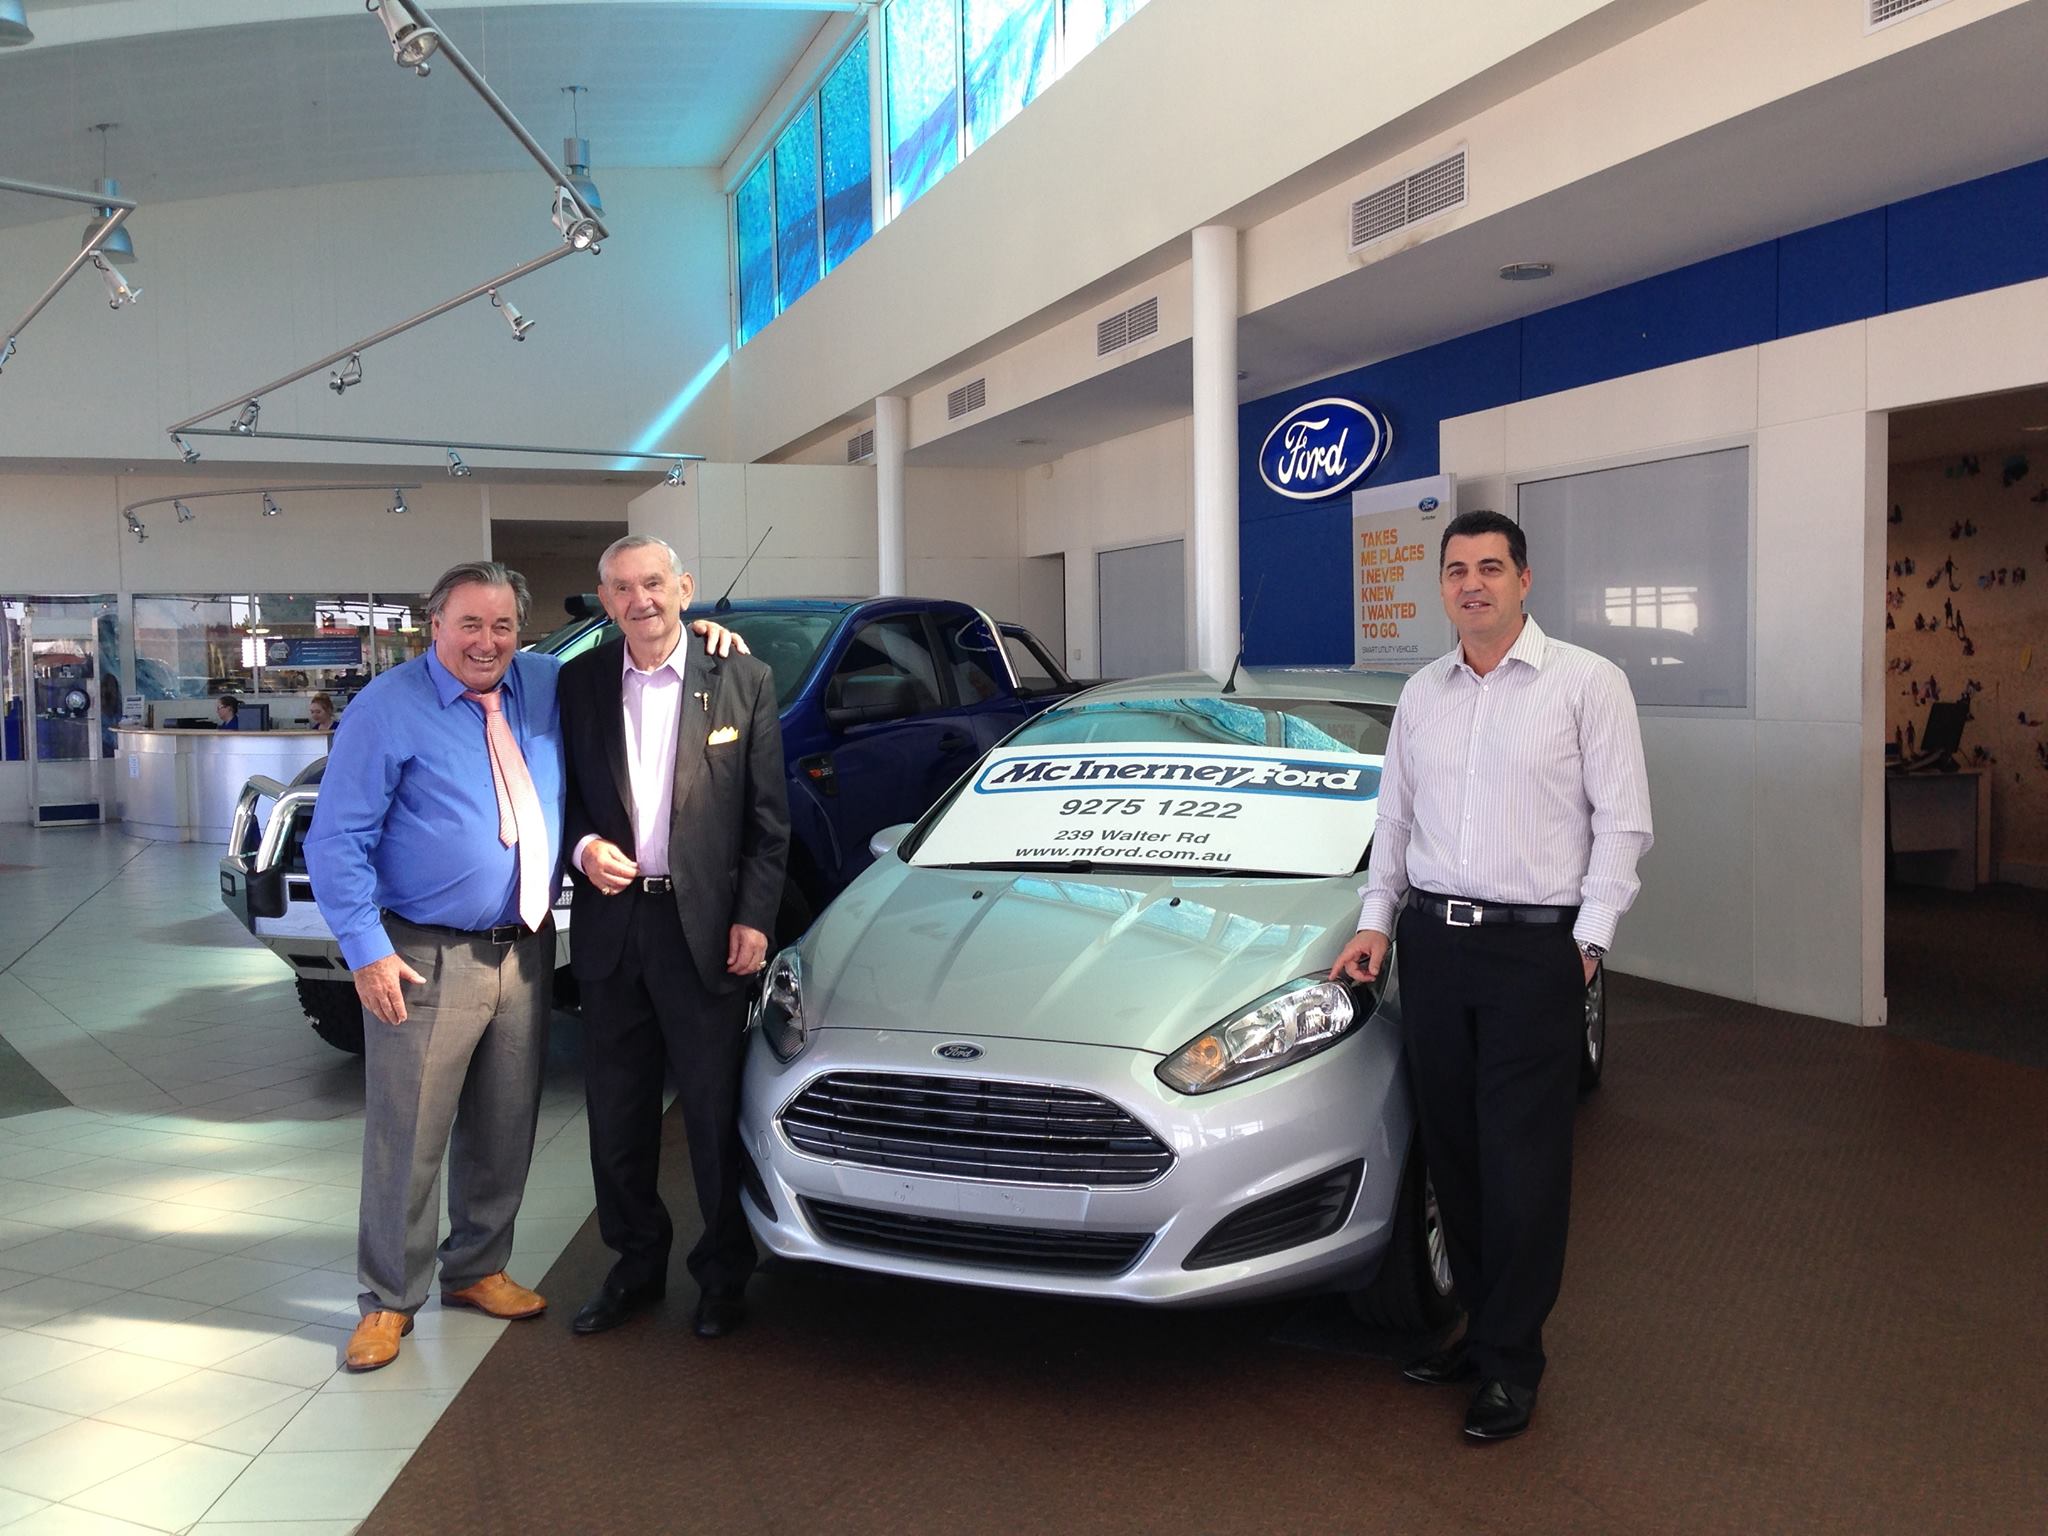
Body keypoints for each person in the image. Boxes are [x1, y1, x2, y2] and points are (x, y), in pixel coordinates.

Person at [305, 558, 744, 1372]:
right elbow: (335, 841)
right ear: (434, 626)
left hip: (529, 948)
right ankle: (388, 1299)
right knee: (409, 1135)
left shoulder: (545, 684)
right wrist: (366, 951)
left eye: (503, 625)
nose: (487, 641)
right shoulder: (386, 709)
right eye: (470, 624)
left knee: (505, 1123)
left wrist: (703, 634)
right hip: (424, 952)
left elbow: (644, 650)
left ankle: (477, 1267)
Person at [1329, 509, 1651, 1443]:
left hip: (1533, 951)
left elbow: (1623, 823)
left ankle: (1513, 1360)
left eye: (1491, 568)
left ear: (1524, 580)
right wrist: (1376, 922)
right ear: (1442, 586)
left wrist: (1587, 944)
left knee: (1522, 1165)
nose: (1472, 584)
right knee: (1455, 1152)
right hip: (1433, 946)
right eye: (1457, 570)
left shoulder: (1587, 683)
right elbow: (1394, 821)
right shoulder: (1422, 693)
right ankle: (1478, 1330)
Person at [559, 534, 788, 1342]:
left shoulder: (743, 679)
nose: (640, 600)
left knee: (713, 1113)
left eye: (653, 583)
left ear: (684, 589)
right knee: (616, 1115)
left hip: (706, 933)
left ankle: (722, 1275)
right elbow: (557, 797)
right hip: (613, 929)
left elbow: (768, 821)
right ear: (605, 600)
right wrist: (583, 847)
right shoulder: (578, 682)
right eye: (622, 588)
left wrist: (754, 917)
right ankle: (633, 1266)